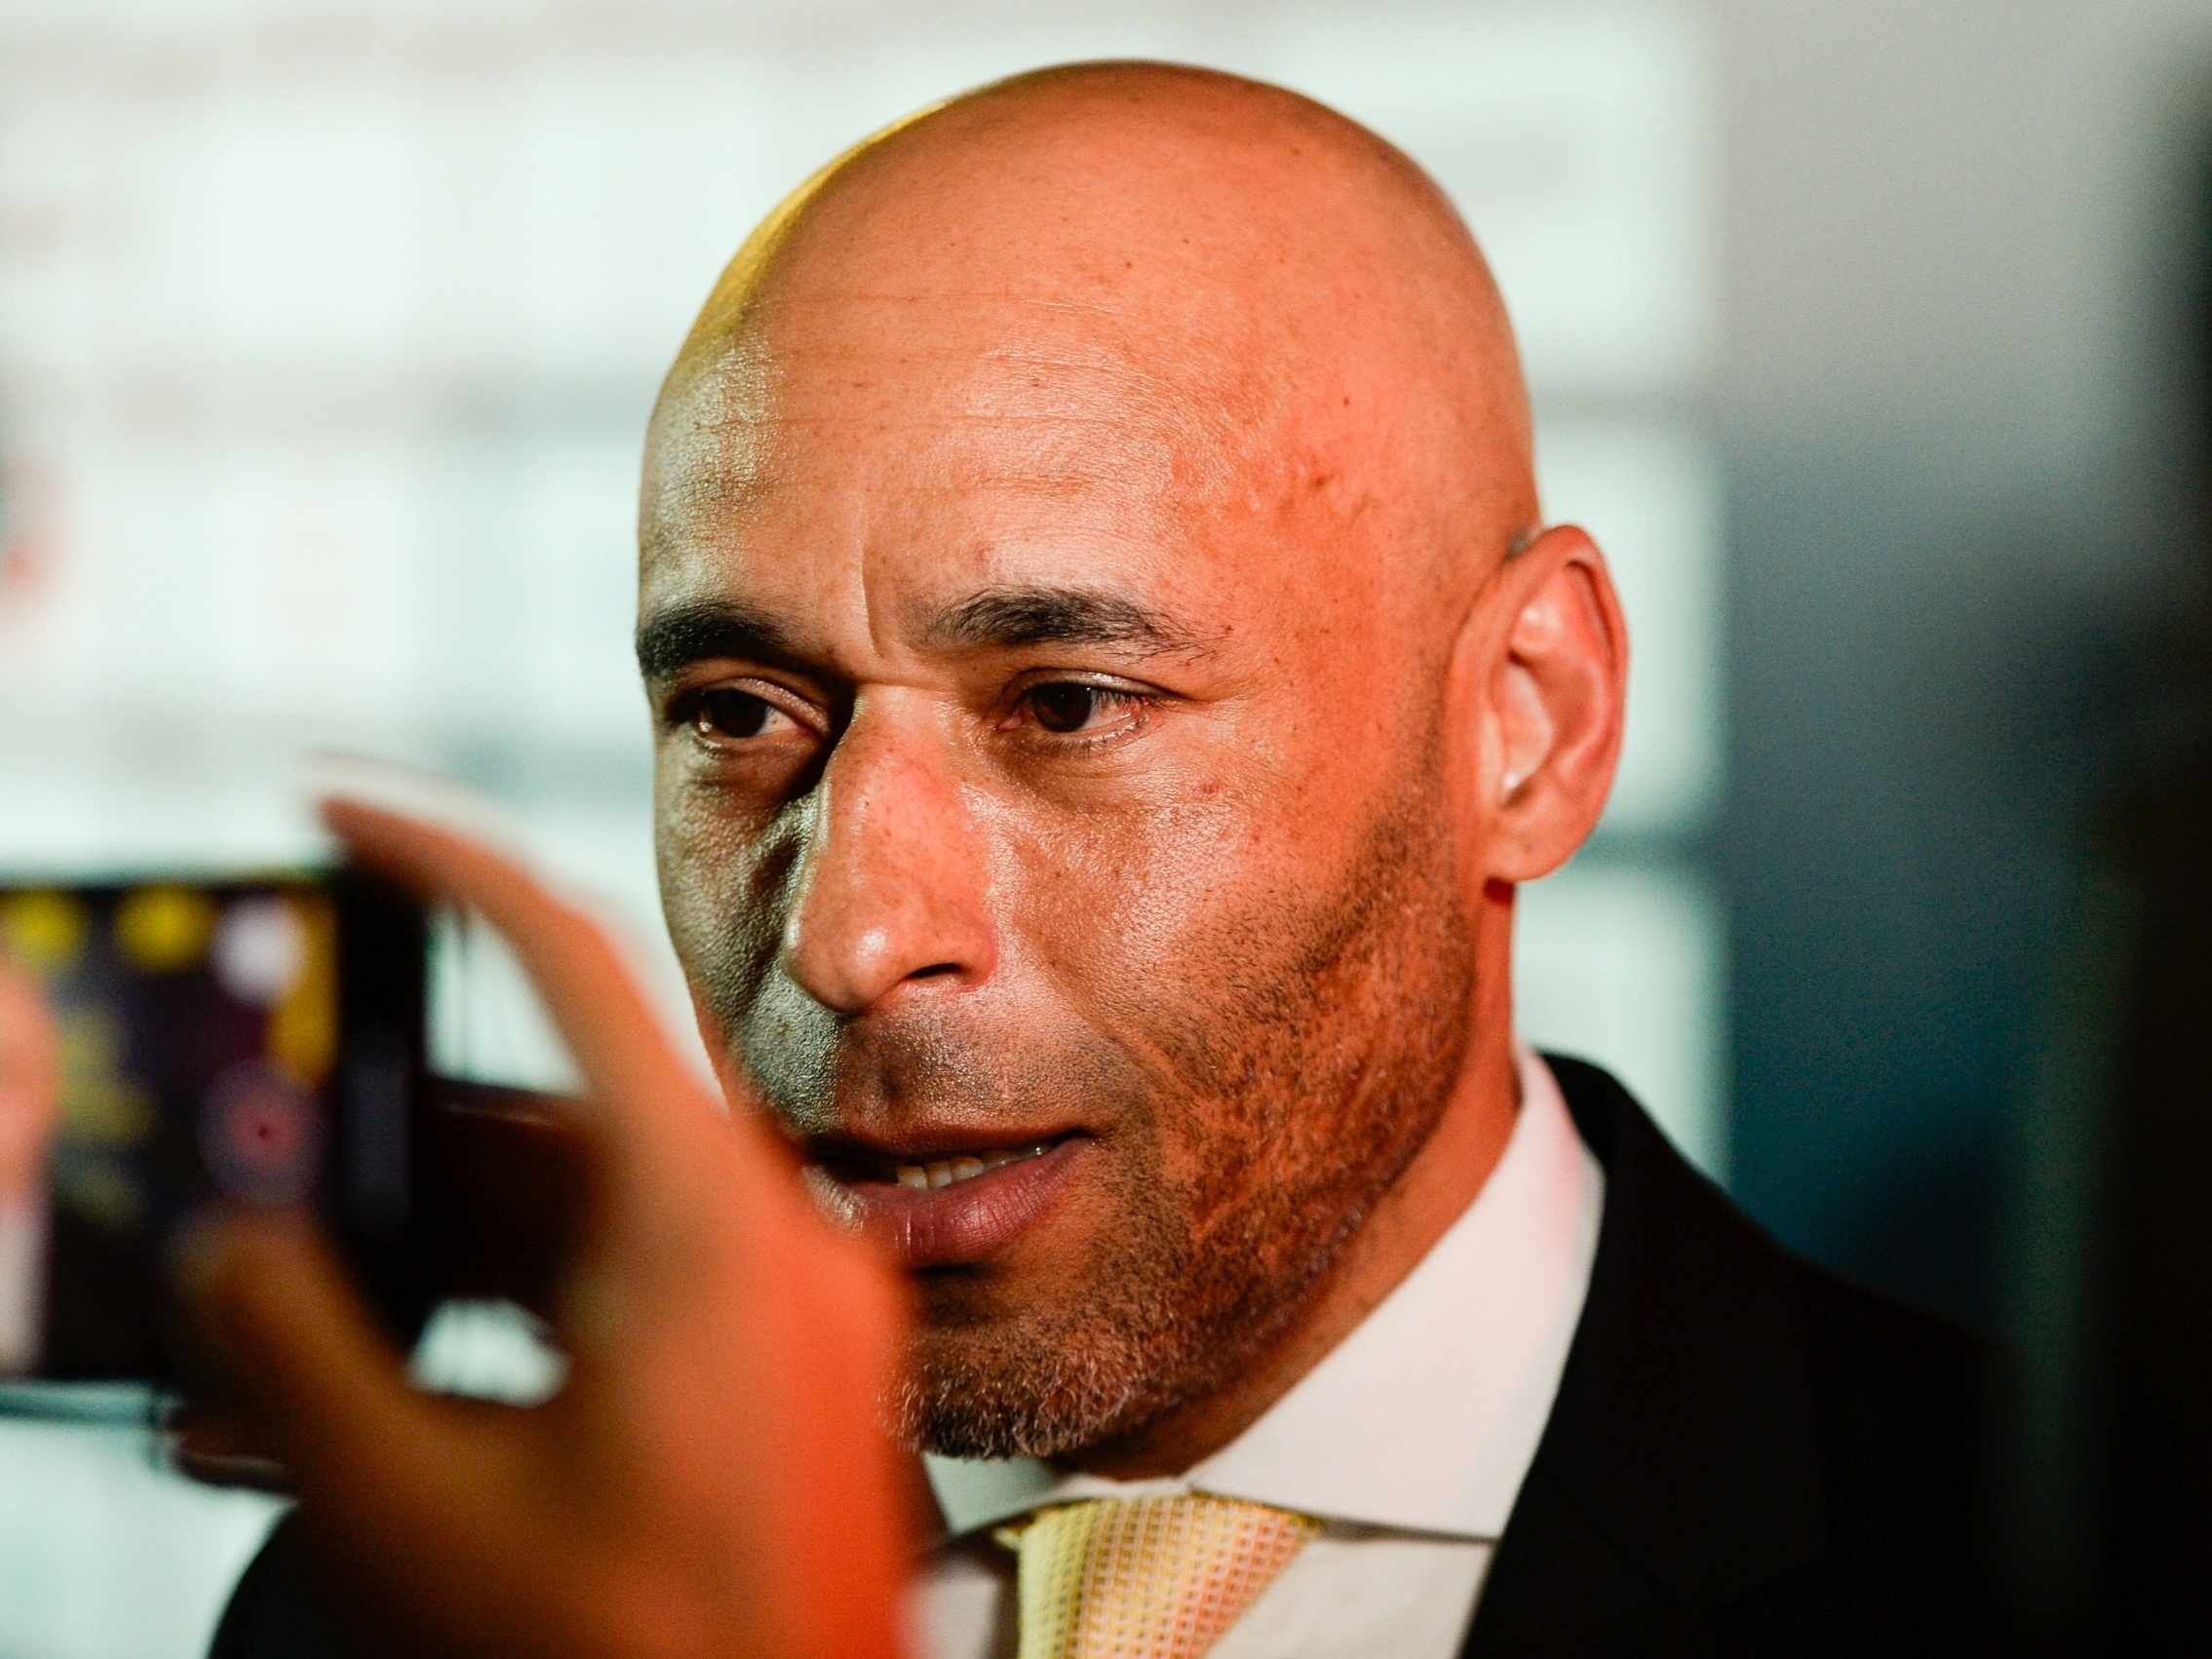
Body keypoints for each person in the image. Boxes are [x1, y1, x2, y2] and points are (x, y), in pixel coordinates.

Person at [6, 61, 1992, 1658]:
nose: (851, 933)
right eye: (739, 714)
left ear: (1527, 725)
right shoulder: (422, 1612)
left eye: (1068, 703)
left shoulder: (2052, 1570)